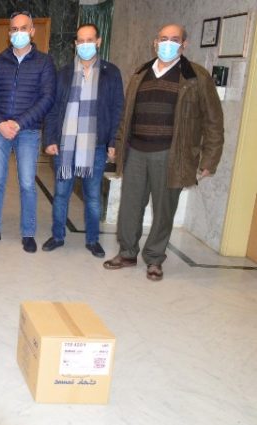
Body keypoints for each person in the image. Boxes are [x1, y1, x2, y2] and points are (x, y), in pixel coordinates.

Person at [103, 24, 224, 281]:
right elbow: (126, 116)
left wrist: (209, 159)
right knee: (130, 207)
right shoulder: (140, 74)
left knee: (164, 210)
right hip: (136, 151)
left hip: (171, 154)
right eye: (163, 39)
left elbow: (214, 121)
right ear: (155, 42)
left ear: (184, 44)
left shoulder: (197, 77)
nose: (168, 43)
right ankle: (127, 252)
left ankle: (155, 258)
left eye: (174, 39)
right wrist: (119, 145)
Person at [0, 11, 56, 252]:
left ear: (32, 31)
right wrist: (0, 122)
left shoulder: (44, 62)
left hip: (28, 131)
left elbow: (47, 98)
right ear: (9, 33)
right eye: (14, 29)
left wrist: (19, 123)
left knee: (28, 183)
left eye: (23, 28)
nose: (19, 33)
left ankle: (28, 233)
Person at [41, 23, 124, 258]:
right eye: (80, 41)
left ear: (98, 42)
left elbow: (117, 108)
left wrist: (113, 141)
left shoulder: (111, 72)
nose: (85, 45)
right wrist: (50, 139)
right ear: (75, 44)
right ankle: (58, 236)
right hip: (65, 145)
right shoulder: (64, 73)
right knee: (61, 194)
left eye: (89, 40)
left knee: (93, 196)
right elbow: (53, 109)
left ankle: (93, 239)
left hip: (95, 146)